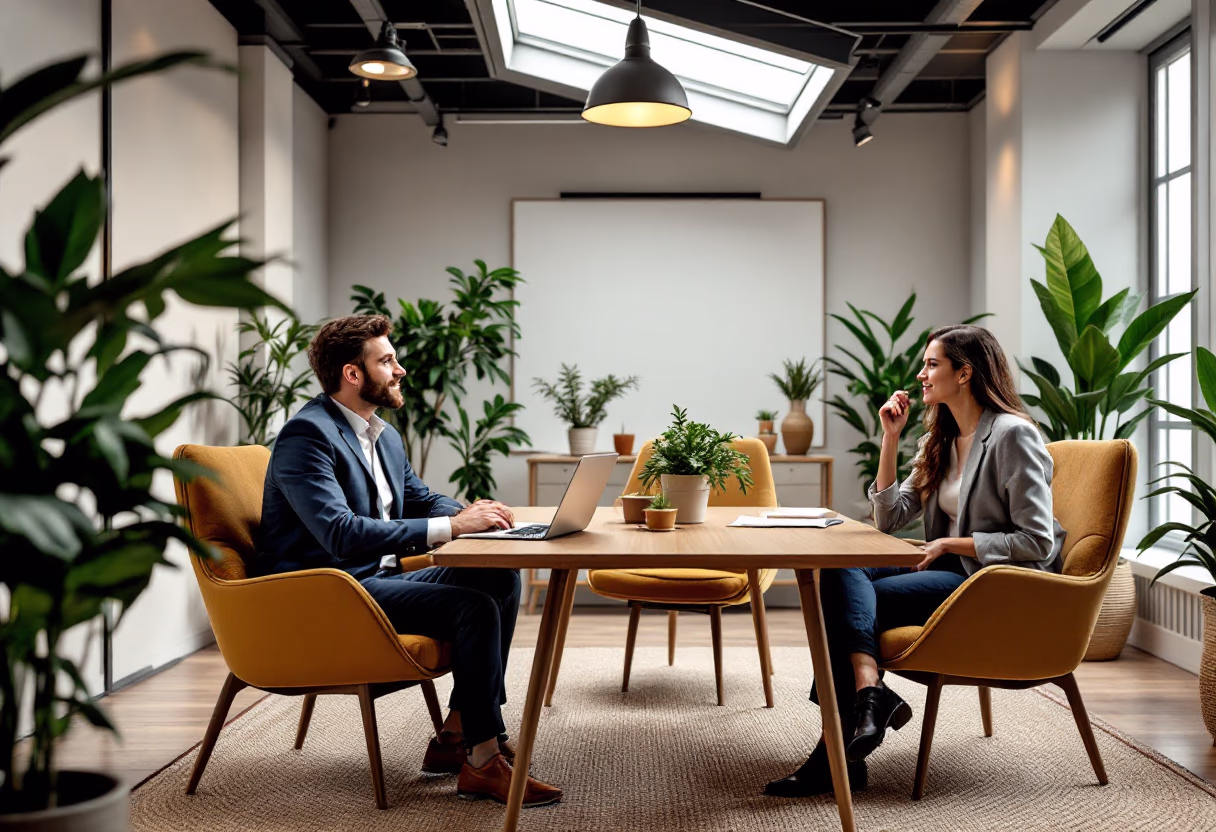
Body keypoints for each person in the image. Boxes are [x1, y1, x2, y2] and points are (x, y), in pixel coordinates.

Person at [253, 314, 562, 808]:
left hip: (376, 579)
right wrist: (454, 528)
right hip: (328, 592)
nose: (400, 370)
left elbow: (420, 498)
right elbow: (341, 534)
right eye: (388, 361)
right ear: (353, 373)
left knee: (499, 577)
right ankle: (483, 761)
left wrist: (473, 514)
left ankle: (456, 737)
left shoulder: (383, 435)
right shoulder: (306, 436)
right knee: (473, 608)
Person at [765, 324, 1065, 798]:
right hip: (948, 569)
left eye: (931, 364)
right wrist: (890, 438)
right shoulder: (940, 438)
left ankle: (835, 754)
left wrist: (952, 545)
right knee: (839, 566)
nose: (921, 374)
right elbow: (889, 518)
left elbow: (1037, 541)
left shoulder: (1012, 436)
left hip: (993, 582)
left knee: (847, 606)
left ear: (964, 373)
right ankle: (869, 692)